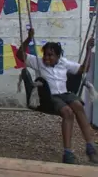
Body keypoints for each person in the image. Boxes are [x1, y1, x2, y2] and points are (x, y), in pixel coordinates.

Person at [16, 28, 97, 164]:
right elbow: (19, 55)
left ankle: (90, 148)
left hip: (65, 94)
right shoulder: (38, 62)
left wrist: (89, 50)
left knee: (78, 105)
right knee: (67, 112)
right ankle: (68, 153)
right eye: (45, 55)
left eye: (50, 55)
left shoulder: (63, 63)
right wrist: (29, 38)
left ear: (58, 57)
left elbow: (83, 69)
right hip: (49, 97)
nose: (46, 58)